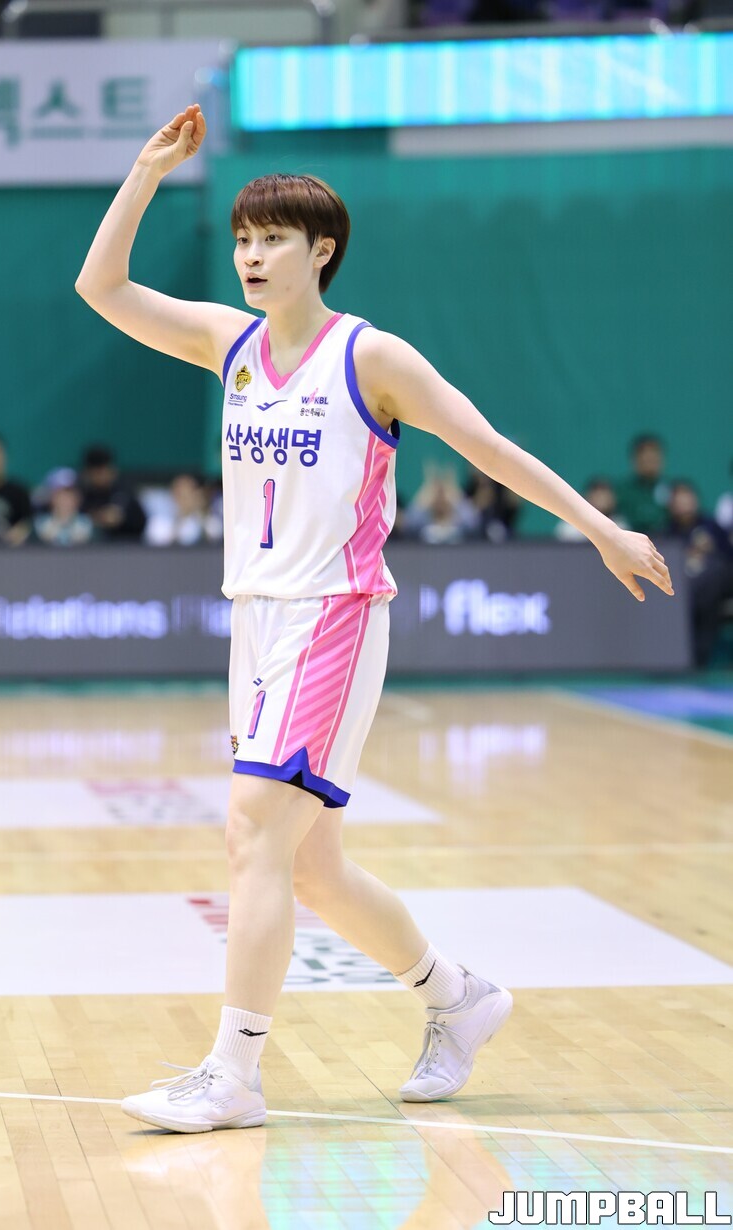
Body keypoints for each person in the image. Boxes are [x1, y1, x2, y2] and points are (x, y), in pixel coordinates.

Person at [75, 103, 674, 1134]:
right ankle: (458, 998)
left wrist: (599, 528)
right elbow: (103, 288)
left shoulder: (371, 359)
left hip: (335, 616)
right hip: (256, 620)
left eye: (272, 240)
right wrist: (144, 171)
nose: (251, 256)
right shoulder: (228, 342)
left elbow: (488, 447)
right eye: (243, 239)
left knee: (252, 830)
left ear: (322, 252)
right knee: (311, 865)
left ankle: (233, 1073)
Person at [666, 479, 733, 668]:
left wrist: (711, 549)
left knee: (714, 573)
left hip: (715, 589)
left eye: (688, 498)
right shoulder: (668, 531)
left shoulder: (712, 526)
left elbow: (729, 556)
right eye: (679, 500)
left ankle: (699, 658)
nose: (684, 504)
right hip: (680, 589)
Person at [78, 444, 147, 541]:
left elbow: (140, 522)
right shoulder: (81, 494)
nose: (102, 476)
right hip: (89, 547)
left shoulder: (124, 491)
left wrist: (121, 518)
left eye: (105, 470)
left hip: (125, 545)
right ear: (88, 473)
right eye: (98, 472)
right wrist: (98, 517)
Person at [144, 471, 223, 546]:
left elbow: (216, 537)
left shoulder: (209, 520)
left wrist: (201, 514)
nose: (186, 499)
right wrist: (181, 517)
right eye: (182, 494)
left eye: (190, 493)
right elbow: (159, 545)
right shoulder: (159, 521)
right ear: (174, 494)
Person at [613, 433, 671, 535]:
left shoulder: (673, 489)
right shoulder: (620, 491)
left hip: (668, 541)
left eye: (654, 457)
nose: (649, 460)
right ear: (635, 460)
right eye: (645, 457)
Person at [32, 467, 97, 546]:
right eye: (60, 494)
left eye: (70, 494)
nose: (65, 499)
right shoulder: (39, 526)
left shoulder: (89, 526)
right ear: (51, 497)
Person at [554, 477, 629, 542]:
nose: (601, 499)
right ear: (587, 497)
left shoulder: (621, 527)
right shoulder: (569, 527)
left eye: (604, 495)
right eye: (597, 495)